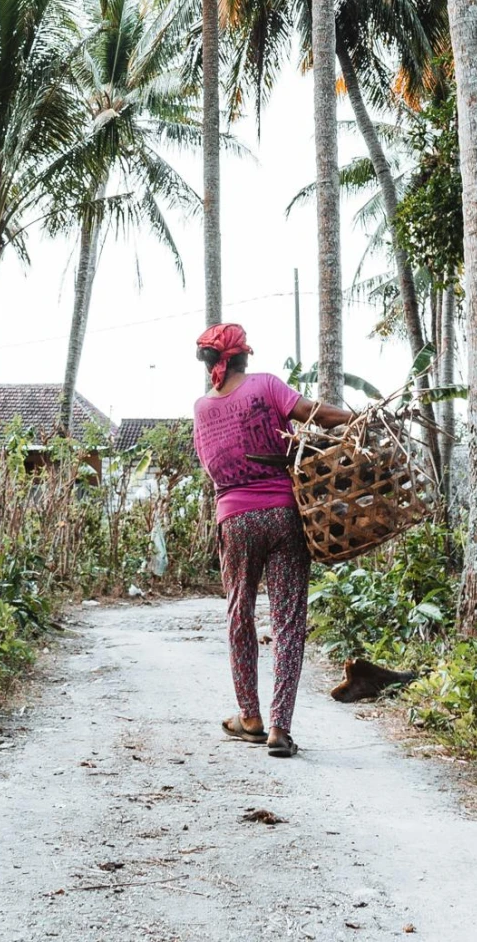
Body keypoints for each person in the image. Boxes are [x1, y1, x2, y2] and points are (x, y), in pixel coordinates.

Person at [190, 321, 352, 758]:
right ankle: (280, 728)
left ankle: (250, 717)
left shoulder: (202, 409)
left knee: (239, 615)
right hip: (283, 516)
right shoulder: (267, 386)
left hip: (235, 520)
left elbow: (211, 466)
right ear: (244, 356)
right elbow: (315, 413)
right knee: (288, 621)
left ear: (212, 364)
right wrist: (357, 419)